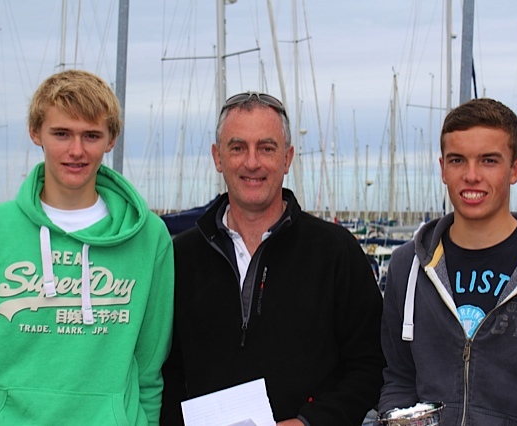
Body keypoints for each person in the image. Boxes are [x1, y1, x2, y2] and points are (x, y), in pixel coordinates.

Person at [161, 92, 384, 425]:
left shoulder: (336, 251)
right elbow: (165, 370)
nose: (252, 162)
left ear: (287, 158)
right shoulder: (180, 256)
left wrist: (310, 422)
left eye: (266, 148)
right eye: (237, 148)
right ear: (217, 157)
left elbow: (371, 365)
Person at [378, 98, 517, 425]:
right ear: (443, 168)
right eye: (458, 160)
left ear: (514, 169)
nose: (472, 176)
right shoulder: (406, 267)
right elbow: (398, 378)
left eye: (488, 161)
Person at [0, 69, 174, 425]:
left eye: (91, 135)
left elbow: (149, 368)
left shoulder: (150, 237)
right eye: (61, 133)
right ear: (36, 133)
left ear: (111, 140)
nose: (76, 151)